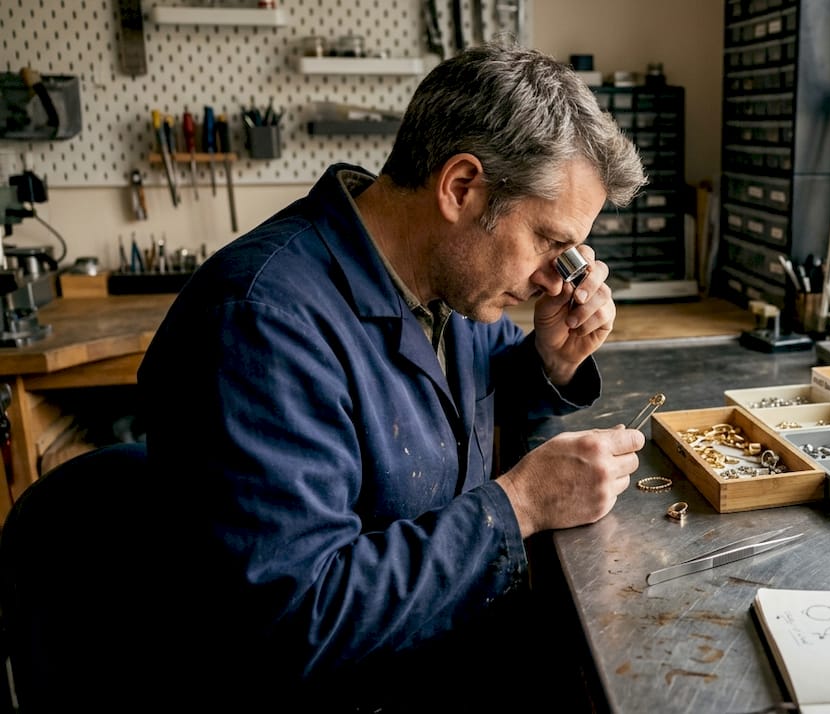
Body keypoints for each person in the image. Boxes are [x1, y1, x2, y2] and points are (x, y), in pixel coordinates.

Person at [136, 40, 648, 711]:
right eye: (551, 242)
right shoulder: (260, 324)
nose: (557, 278)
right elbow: (298, 621)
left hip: (439, 645)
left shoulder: (446, 281)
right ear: (461, 188)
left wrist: (550, 359)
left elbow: (458, 397)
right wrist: (518, 505)